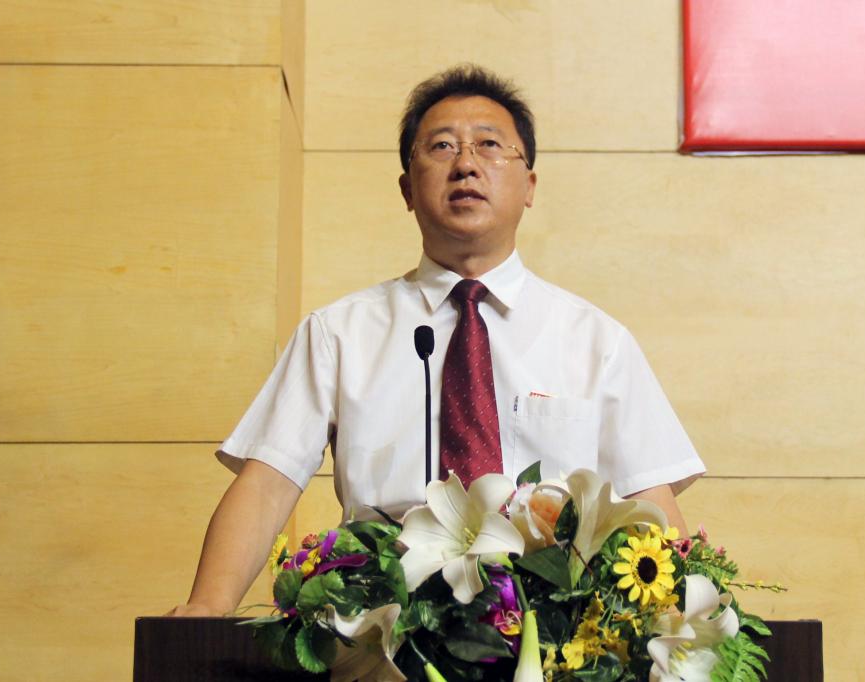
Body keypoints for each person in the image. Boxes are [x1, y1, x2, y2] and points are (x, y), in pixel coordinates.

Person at [167, 65, 704, 617]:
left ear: (529, 186)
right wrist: (207, 607)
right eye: (442, 146)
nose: (466, 164)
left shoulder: (597, 341)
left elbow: (648, 504)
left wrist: (689, 629)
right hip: (381, 621)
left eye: (489, 145)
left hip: (551, 631)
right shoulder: (339, 333)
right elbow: (267, 485)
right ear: (407, 189)